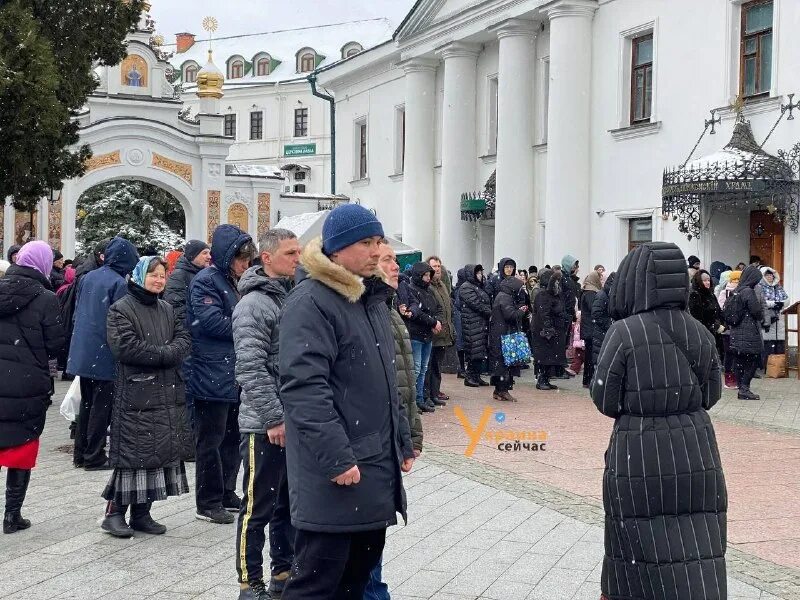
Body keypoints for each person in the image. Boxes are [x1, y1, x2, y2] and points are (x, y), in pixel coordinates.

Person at [278, 204, 414, 599]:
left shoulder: (368, 300)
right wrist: (337, 458)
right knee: (316, 585)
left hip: (372, 466)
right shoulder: (312, 301)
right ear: (336, 251)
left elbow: (387, 383)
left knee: (356, 580)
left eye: (378, 241)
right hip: (335, 473)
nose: (376, 251)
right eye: (365, 243)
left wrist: (402, 440)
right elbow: (305, 388)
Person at [592, 242, 727, 600]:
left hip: (638, 453)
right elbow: (712, 394)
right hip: (695, 450)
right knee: (697, 544)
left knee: (634, 547)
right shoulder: (700, 332)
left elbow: (604, 398)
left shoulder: (623, 332)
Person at [101, 256, 192, 538]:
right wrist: (165, 355)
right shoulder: (121, 309)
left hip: (166, 392)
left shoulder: (166, 308)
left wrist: (171, 352)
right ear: (139, 276)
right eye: (153, 274)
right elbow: (125, 347)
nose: (159, 280)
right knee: (132, 455)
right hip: (137, 395)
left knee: (159, 451)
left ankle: (142, 512)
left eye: (163, 275)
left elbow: (184, 339)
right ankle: (114, 513)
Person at [232, 229, 300, 600]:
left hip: (289, 421)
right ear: (268, 258)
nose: (297, 258)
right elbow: (250, 368)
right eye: (291, 253)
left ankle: (284, 572)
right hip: (264, 425)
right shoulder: (254, 304)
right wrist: (274, 417)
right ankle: (249, 581)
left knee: (286, 505)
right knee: (257, 506)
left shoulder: (287, 297)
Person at [364, 241, 423, 600]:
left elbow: (403, 381)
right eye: (387, 260)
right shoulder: (369, 311)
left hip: (391, 429)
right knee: (369, 523)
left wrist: (410, 436)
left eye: (394, 260)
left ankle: (373, 588)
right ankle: (372, 591)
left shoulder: (387, 309)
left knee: (376, 524)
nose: (395, 266)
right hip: (371, 435)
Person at [187, 225, 255, 524]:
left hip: (233, 373)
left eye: (249, 259)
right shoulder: (206, 281)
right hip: (210, 372)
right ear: (228, 256)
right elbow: (212, 322)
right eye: (241, 258)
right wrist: (250, 329)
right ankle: (208, 501)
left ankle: (227, 491)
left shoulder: (235, 281)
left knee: (232, 439)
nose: (246, 264)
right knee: (210, 441)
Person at [0, 241, 64, 533]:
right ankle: (12, 516)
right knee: (21, 448)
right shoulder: (46, 297)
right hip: (26, 383)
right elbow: (54, 345)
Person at [68, 237, 139, 470]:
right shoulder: (119, 283)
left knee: (86, 404)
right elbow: (120, 322)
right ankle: (94, 455)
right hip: (104, 352)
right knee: (102, 406)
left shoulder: (88, 276)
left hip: (84, 350)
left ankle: (80, 453)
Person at [164, 239, 211, 435]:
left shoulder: (198, 274)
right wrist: (193, 330)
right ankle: (187, 438)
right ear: (193, 256)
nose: (209, 257)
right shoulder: (180, 277)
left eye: (209, 253)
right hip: (189, 343)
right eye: (204, 253)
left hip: (198, 343)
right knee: (189, 392)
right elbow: (177, 312)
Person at [398, 262, 443, 414]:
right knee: (416, 369)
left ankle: (419, 399)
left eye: (428, 275)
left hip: (427, 335)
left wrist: (437, 321)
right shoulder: (412, 289)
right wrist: (433, 322)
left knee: (423, 369)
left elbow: (436, 308)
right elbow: (417, 314)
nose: (427, 278)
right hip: (417, 334)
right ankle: (413, 401)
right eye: (425, 275)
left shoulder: (429, 291)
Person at [726, 265, 765, 400]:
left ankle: (741, 387)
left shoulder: (737, 290)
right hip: (748, 333)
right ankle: (744, 388)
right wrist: (761, 315)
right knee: (753, 360)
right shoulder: (748, 291)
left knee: (739, 360)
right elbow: (756, 312)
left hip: (736, 332)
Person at [487, 277, 528, 401]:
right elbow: (510, 315)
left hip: (500, 334)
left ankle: (498, 390)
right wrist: (521, 311)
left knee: (501, 363)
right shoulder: (505, 297)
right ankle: (502, 390)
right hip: (504, 335)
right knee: (505, 364)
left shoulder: (502, 296)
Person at [425, 256, 454, 407]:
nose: (437, 269)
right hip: (433, 333)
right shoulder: (428, 286)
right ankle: (428, 395)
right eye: (434, 266)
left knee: (437, 366)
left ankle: (435, 393)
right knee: (428, 366)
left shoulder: (442, 284)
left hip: (443, 333)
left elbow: (447, 309)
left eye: (438, 266)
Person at [531, 268, 566, 390]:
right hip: (544, 333)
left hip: (552, 331)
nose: (557, 284)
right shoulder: (543, 295)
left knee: (550, 357)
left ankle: (546, 378)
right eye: (555, 281)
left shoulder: (554, 295)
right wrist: (548, 328)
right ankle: (542, 379)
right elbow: (543, 313)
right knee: (544, 357)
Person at [458, 264, 492, 387]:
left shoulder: (478, 287)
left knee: (479, 351)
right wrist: (489, 312)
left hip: (479, 323)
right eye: (477, 273)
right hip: (472, 323)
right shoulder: (466, 287)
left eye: (481, 273)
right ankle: (470, 376)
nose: (480, 275)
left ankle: (476, 376)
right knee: (473, 351)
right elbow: (476, 304)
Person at [688, 269, 725, 359]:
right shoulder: (695, 295)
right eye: (704, 280)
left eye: (708, 280)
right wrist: (713, 326)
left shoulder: (711, 294)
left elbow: (718, 311)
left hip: (714, 334)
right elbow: (696, 318)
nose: (707, 282)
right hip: (703, 336)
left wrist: (721, 323)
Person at [758, 266, 789, 361]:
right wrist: (772, 304)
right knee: (768, 343)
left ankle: (779, 366)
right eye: (767, 275)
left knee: (779, 342)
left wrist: (781, 304)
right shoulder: (759, 287)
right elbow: (760, 301)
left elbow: (787, 299)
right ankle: (767, 365)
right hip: (768, 318)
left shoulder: (778, 287)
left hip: (779, 318)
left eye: (771, 275)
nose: (770, 277)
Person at [717, 270, 741, 390]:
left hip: (738, 328)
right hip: (728, 328)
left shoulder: (742, 292)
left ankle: (737, 378)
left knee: (736, 354)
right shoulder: (724, 292)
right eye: (735, 280)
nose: (736, 282)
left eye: (738, 280)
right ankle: (729, 378)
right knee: (729, 353)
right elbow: (721, 308)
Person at [578, 270, 602, 387]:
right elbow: (594, 310)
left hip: (588, 328)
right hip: (590, 329)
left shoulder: (586, 292)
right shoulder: (591, 293)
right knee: (590, 356)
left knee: (588, 355)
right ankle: (589, 380)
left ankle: (587, 380)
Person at [591, 272, 615, 368]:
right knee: (600, 360)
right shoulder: (603, 295)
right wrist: (610, 323)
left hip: (605, 332)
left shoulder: (611, 294)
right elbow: (596, 314)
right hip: (601, 333)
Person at [452, 267, 468, 379]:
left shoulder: (458, 288)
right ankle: (461, 368)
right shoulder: (462, 288)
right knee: (461, 344)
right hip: (461, 318)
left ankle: (461, 368)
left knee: (460, 345)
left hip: (459, 318)